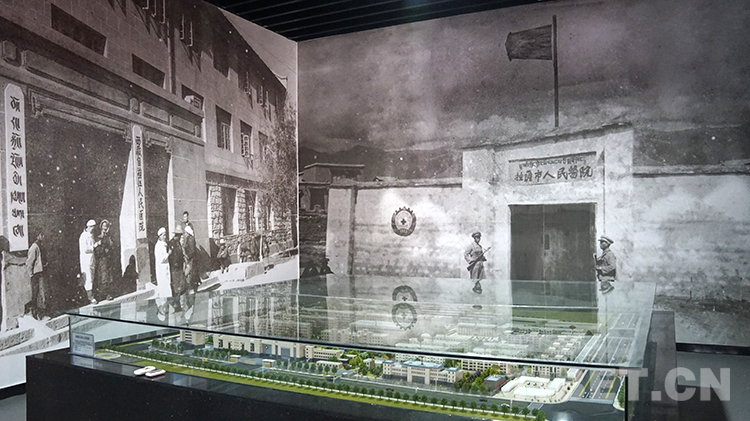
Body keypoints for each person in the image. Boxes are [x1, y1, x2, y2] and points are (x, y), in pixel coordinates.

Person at [93, 219, 115, 302]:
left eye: (106, 226)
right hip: (102, 259)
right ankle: (103, 294)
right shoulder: (98, 237)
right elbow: (97, 249)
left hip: (108, 259)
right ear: (101, 227)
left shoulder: (109, 237)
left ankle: (108, 294)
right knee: (103, 277)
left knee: (109, 276)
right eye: (103, 226)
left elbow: (112, 246)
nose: (105, 228)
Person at [25, 232, 46, 319]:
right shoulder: (34, 247)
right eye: (41, 235)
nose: (43, 237)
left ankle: (40, 313)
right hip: (35, 274)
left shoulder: (39, 246)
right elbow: (30, 262)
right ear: (37, 236)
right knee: (35, 294)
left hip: (40, 272)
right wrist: (30, 274)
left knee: (40, 293)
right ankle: (35, 313)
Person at [79, 219, 96, 303]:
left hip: (92, 259)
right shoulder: (83, 236)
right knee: (88, 278)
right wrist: (94, 246)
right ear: (88, 227)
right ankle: (90, 297)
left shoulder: (91, 235)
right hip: (86, 260)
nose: (93, 229)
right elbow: (85, 249)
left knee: (92, 277)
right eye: (92, 227)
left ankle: (90, 295)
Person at [167, 226, 185, 311]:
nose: (180, 237)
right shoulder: (172, 243)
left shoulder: (178, 243)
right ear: (176, 235)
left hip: (179, 266)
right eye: (179, 235)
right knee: (176, 283)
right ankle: (175, 303)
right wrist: (175, 263)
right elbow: (171, 256)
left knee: (179, 283)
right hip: (175, 267)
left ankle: (178, 302)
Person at [154, 227, 171, 297]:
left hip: (165, 268)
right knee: (164, 286)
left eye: (165, 235)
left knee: (167, 284)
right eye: (163, 235)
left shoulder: (164, 244)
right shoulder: (158, 246)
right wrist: (168, 253)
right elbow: (161, 258)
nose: (165, 237)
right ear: (160, 236)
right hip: (161, 269)